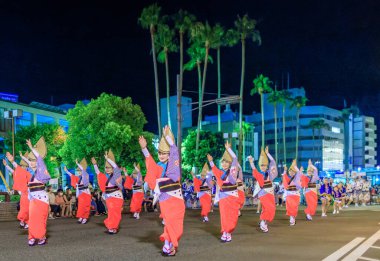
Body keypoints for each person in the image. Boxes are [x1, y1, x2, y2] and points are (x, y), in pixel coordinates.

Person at [139, 125, 185, 256]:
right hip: (165, 200)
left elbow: (175, 152)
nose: (161, 155)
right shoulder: (158, 166)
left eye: (164, 153)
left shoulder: (173, 165)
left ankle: (170, 245)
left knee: (176, 226)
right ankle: (167, 245)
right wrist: (144, 148)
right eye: (159, 152)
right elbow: (150, 164)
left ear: (170, 154)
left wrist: (169, 140)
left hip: (176, 200)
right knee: (169, 223)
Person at [208, 141, 239, 243]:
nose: (224, 164)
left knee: (232, 215)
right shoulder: (220, 172)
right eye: (223, 162)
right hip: (223, 196)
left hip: (232, 196)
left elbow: (235, 158)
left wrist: (229, 149)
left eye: (226, 162)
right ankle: (225, 232)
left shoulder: (232, 171)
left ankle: (229, 231)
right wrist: (211, 161)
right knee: (224, 215)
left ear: (230, 164)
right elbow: (214, 170)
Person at [25, 137, 51, 246]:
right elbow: (32, 162)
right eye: (30, 161)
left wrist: (31, 147)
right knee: (32, 220)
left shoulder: (40, 171)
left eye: (33, 160)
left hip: (42, 200)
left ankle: (41, 237)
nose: (31, 162)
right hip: (33, 200)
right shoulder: (32, 174)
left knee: (40, 219)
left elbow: (39, 159)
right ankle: (31, 237)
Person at [91, 150, 124, 234]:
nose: (107, 169)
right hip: (109, 197)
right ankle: (112, 227)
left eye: (109, 167)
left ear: (113, 168)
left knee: (115, 212)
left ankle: (113, 227)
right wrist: (95, 164)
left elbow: (115, 166)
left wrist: (108, 159)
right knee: (111, 212)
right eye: (106, 167)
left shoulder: (117, 174)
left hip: (117, 196)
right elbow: (98, 172)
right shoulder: (105, 177)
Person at [248, 146, 278, 233]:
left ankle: (263, 221)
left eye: (264, 165)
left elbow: (273, 162)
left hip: (270, 192)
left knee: (271, 208)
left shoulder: (270, 173)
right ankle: (263, 222)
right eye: (261, 165)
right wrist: (251, 162)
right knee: (267, 207)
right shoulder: (259, 174)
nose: (263, 167)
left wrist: (268, 153)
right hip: (263, 193)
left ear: (267, 166)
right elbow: (254, 169)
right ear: (259, 166)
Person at [4, 151, 31, 229]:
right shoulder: (20, 172)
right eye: (22, 166)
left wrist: (12, 161)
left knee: (27, 209)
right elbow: (14, 170)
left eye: (25, 166)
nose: (23, 167)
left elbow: (17, 168)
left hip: (28, 193)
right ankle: (24, 222)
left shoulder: (27, 173)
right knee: (25, 209)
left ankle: (25, 222)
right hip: (24, 194)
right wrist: (7, 165)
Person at [64, 158, 91, 224]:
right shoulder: (77, 177)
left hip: (86, 192)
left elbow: (83, 170)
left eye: (79, 170)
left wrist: (77, 164)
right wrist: (67, 171)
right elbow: (71, 176)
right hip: (81, 192)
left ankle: (85, 217)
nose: (78, 172)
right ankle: (81, 217)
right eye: (77, 170)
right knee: (81, 205)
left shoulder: (86, 175)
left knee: (86, 205)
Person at [282, 159, 301, 226]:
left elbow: (299, 172)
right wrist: (285, 170)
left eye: (292, 171)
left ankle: (292, 218)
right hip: (289, 194)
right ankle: (292, 218)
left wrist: (294, 166)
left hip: (295, 195)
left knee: (294, 207)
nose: (291, 172)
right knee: (289, 207)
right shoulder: (287, 178)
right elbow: (284, 176)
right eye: (290, 171)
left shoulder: (297, 177)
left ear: (294, 172)